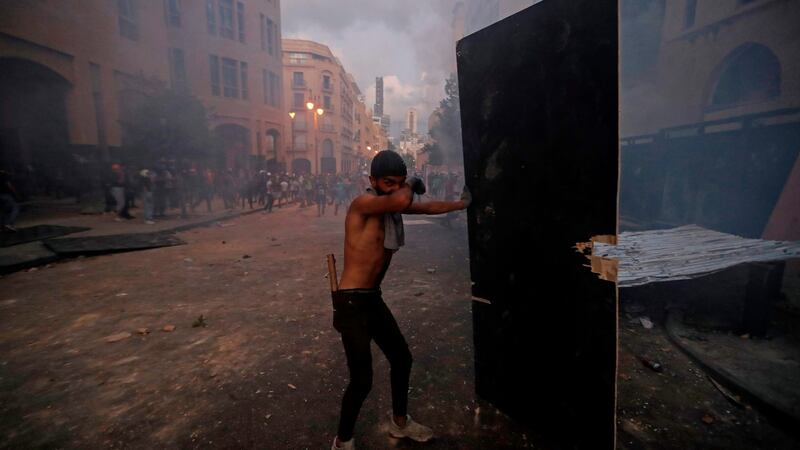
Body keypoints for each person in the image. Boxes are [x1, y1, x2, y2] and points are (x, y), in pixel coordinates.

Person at [330, 150, 471, 450]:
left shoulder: (392, 205)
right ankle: (342, 441)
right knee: (362, 379)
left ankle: (400, 423)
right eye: (388, 182)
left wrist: (462, 203)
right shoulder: (364, 204)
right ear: (372, 180)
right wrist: (412, 183)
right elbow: (401, 199)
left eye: (399, 182)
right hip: (351, 302)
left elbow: (426, 206)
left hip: (371, 298)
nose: (394, 187)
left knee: (401, 358)